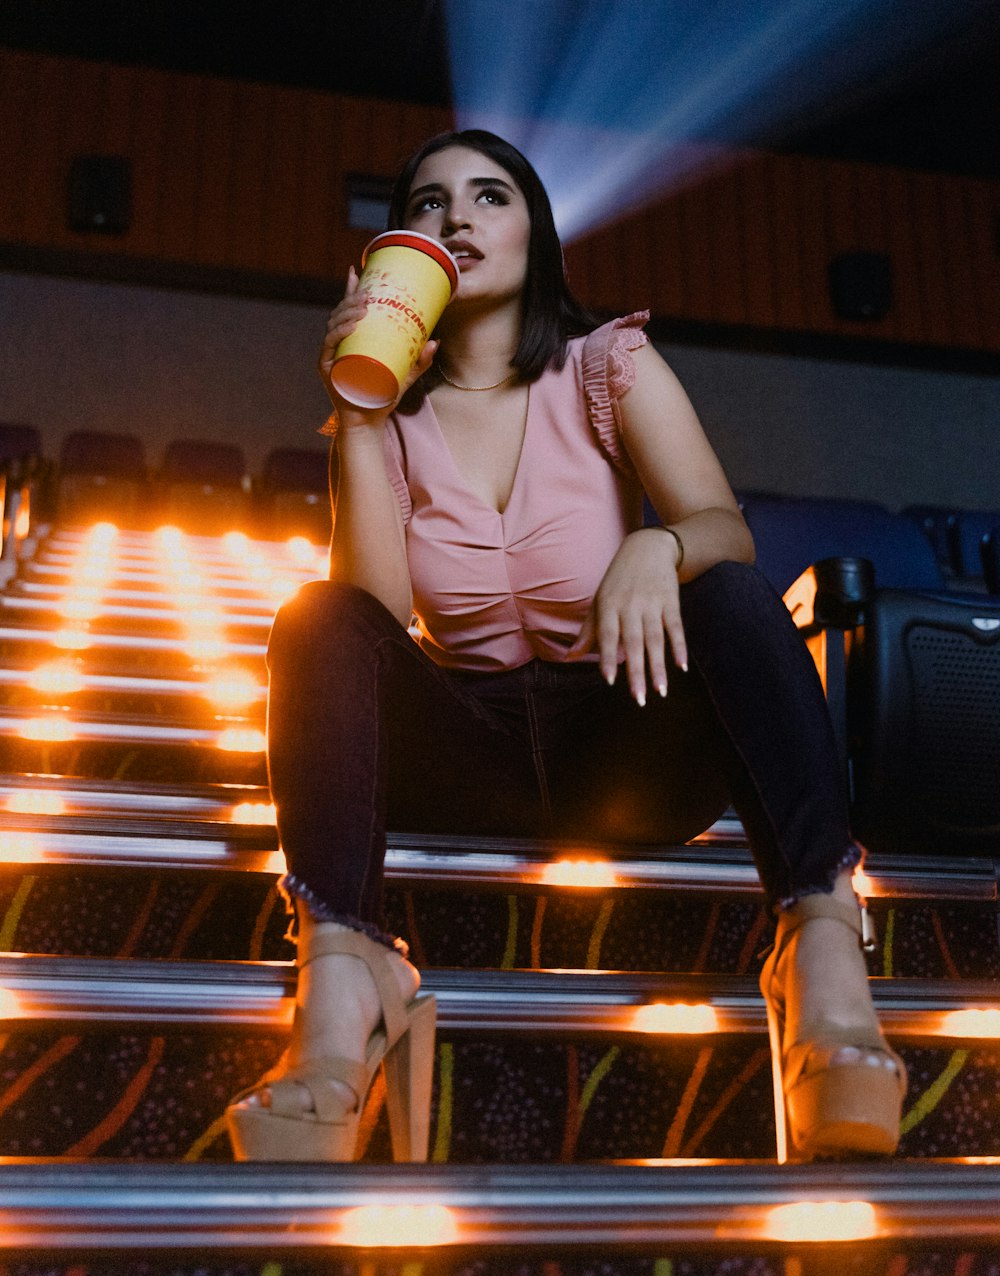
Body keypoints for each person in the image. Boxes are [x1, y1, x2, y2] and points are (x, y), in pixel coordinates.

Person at [226, 129, 906, 1165]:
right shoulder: (387, 424)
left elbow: (723, 529)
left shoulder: (607, 366)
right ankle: (347, 972)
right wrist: (360, 408)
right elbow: (369, 622)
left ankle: (820, 950)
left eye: (489, 196)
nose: (455, 218)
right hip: (467, 755)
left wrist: (656, 544)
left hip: (623, 741)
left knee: (727, 593)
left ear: (535, 234)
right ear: (391, 250)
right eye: (425, 204)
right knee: (313, 616)